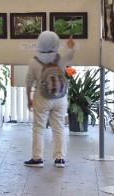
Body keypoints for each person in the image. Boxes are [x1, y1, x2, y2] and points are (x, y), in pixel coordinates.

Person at [24, 31, 75, 168]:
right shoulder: (61, 59)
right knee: (58, 128)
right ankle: (60, 158)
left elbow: (29, 82)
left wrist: (28, 99)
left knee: (39, 128)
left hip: (42, 97)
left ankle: (37, 158)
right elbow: (70, 54)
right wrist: (70, 45)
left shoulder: (34, 61)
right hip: (60, 97)